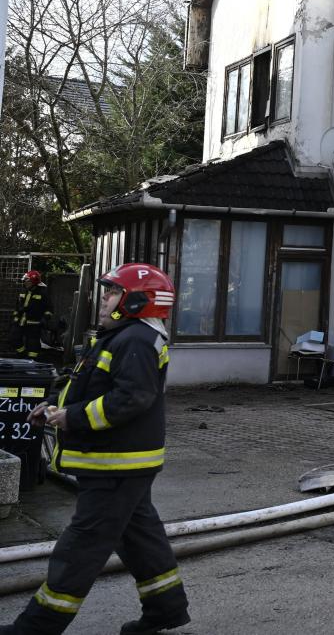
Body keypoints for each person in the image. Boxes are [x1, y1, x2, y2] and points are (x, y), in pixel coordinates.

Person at [4, 263, 189, 635]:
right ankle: (165, 608)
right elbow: (89, 384)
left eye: (112, 292)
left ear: (135, 301)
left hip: (116, 465)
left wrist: (72, 419)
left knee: (81, 547)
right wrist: (56, 406)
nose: (103, 298)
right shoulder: (120, 336)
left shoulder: (135, 339)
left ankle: (36, 627)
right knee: (140, 538)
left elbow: (130, 399)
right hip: (120, 463)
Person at [11, 270, 51, 359]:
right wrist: (15, 317)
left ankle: (32, 361)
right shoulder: (23, 291)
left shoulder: (43, 293)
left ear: (33, 281)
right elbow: (17, 307)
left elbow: (49, 309)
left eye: (27, 280)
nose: (25, 282)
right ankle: (22, 354)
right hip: (20, 322)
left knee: (33, 344)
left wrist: (45, 319)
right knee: (14, 338)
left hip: (34, 323)